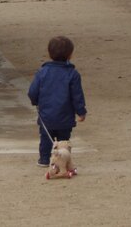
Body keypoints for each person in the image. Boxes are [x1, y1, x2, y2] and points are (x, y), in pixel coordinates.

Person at [28, 36, 87, 167]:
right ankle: (64, 160)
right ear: (70, 55)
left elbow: (32, 91)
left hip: (46, 114)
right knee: (64, 140)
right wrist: (81, 111)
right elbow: (77, 96)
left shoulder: (42, 72)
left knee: (45, 139)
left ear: (49, 53)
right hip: (65, 115)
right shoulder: (72, 74)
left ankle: (44, 159)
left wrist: (35, 102)